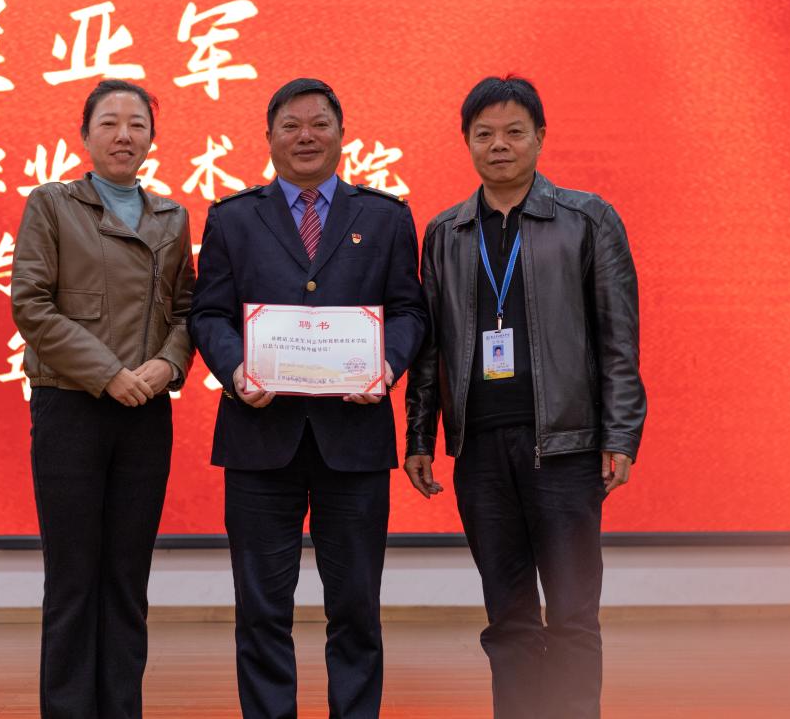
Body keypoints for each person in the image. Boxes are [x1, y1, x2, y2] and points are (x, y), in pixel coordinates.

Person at [403, 75, 646, 719]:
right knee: (507, 619)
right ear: (466, 142)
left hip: (564, 447)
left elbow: (618, 337)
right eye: (484, 134)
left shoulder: (587, 219)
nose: (499, 146)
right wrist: (420, 435)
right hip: (480, 451)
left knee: (571, 616)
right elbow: (429, 348)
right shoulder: (446, 232)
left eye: (514, 132)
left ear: (540, 137)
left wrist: (620, 435)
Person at [189, 77, 427, 718]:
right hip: (259, 438)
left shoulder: (385, 217)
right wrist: (237, 369)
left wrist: (385, 365)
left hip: (354, 441)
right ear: (268, 138)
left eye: (319, 123)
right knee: (261, 610)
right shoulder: (233, 218)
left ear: (342, 134)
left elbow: (409, 310)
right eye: (290, 125)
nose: (305, 136)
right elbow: (208, 314)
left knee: (356, 607)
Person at [11, 79, 195, 719]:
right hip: (71, 407)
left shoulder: (172, 217)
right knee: (72, 578)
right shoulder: (52, 204)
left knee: (126, 578)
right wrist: (110, 373)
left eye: (137, 124)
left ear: (152, 138)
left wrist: (166, 365)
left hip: (146, 412)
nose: (124, 135)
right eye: (109, 123)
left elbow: (187, 310)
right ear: (85, 135)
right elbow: (31, 305)